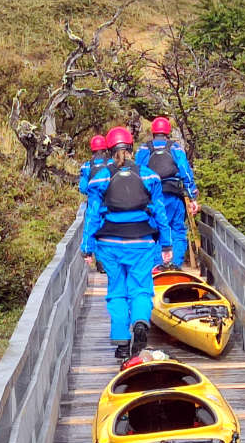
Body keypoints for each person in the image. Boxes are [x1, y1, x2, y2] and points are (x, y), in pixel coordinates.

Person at [82, 126, 173, 359]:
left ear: (110, 150)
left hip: (109, 242)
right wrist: (167, 245)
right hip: (142, 241)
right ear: (131, 148)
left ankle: (122, 343)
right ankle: (141, 322)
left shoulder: (101, 176)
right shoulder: (148, 175)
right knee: (141, 288)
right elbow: (160, 212)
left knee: (116, 291)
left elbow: (93, 214)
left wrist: (87, 248)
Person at [135, 116, 199, 268]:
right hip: (174, 195)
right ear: (167, 132)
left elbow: (137, 172)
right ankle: (175, 264)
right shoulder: (175, 148)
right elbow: (185, 171)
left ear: (153, 132)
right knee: (177, 229)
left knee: (154, 229)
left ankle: (158, 264)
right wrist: (193, 196)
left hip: (152, 197)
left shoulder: (144, 149)